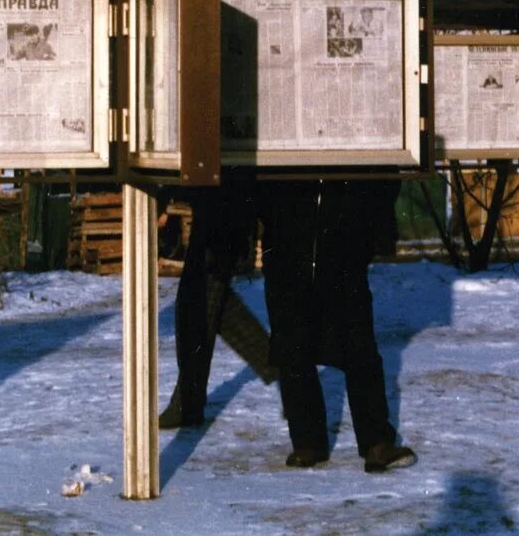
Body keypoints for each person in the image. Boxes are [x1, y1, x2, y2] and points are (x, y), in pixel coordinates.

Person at [259, 178, 416, 472]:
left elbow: (386, 175)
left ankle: (376, 441)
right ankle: (307, 440)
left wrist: (371, 229)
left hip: (344, 243)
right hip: (287, 242)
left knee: (359, 344)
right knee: (291, 343)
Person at [158, 176, 259, 428]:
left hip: (222, 214)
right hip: (222, 211)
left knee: (198, 306)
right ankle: (277, 362)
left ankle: (187, 404)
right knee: (207, 306)